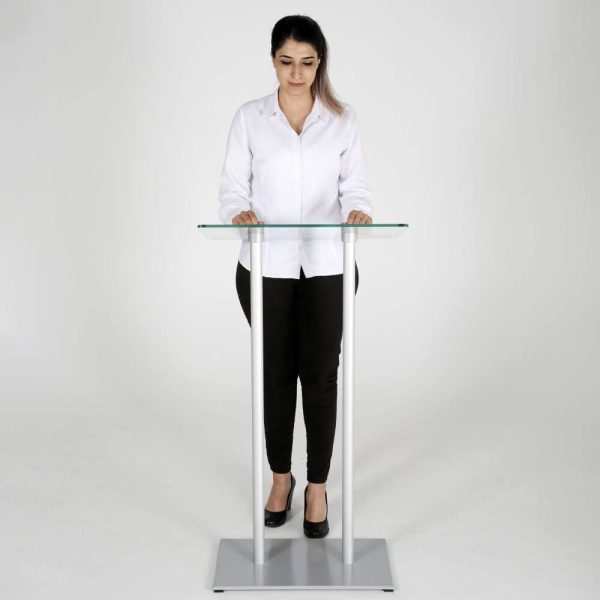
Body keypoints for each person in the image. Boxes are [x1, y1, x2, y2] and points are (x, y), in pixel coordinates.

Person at [217, 15, 373, 538]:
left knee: (322, 377)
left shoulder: (342, 119)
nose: (297, 72)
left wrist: (358, 211)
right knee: (277, 374)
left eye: (307, 62)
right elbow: (233, 188)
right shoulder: (250, 118)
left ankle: (318, 487)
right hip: (266, 266)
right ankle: (281, 478)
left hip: (328, 264)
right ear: (273, 61)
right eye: (287, 61)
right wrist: (239, 212)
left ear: (320, 61)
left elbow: (356, 187)